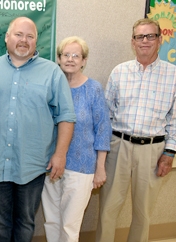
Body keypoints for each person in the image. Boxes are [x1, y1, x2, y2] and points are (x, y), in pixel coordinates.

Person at [0, 17, 76, 242]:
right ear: (6, 38)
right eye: (18, 34)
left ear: (36, 41)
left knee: (25, 222)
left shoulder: (52, 73)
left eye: (30, 36)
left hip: (32, 163)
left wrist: (60, 154)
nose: (24, 40)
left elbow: (66, 116)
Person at [96, 18, 176, 242]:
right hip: (118, 147)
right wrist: (103, 150)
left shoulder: (174, 75)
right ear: (133, 42)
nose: (144, 41)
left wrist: (169, 153)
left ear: (159, 40)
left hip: (153, 151)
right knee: (108, 209)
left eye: (150, 36)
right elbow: (105, 115)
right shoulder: (120, 72)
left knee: (143, 212)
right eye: (140, 36)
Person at [41, 36, 111, 242]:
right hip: (50, 165)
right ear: (59, 59)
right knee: (52, 221)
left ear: (84, 60)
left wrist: (101, 167)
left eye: (76, 55)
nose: (70, 59)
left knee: (70, 224)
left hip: (82, 168)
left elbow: (103, 130)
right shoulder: (51, 88)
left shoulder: (94, 89)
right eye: (66, 55)